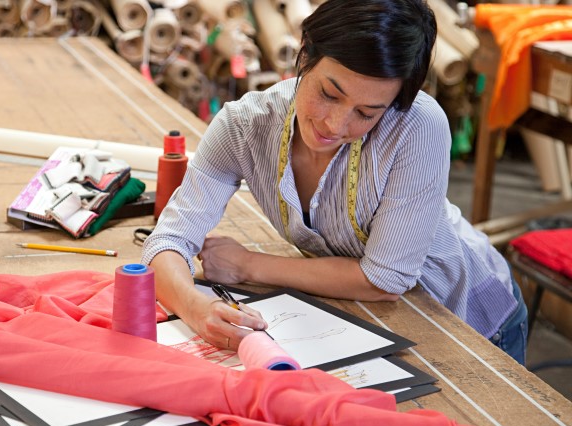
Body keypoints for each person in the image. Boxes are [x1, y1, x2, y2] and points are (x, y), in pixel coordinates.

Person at [141, 0, 529, 365]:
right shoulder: (244, 127)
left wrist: (249, 265)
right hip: (381, 321)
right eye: (329, 93)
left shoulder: (417, 126)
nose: (336, 125)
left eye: (366, 113)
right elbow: (166, 242)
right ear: (305, 53)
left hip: (469, 315)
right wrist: (195, 308)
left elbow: (385, 278)